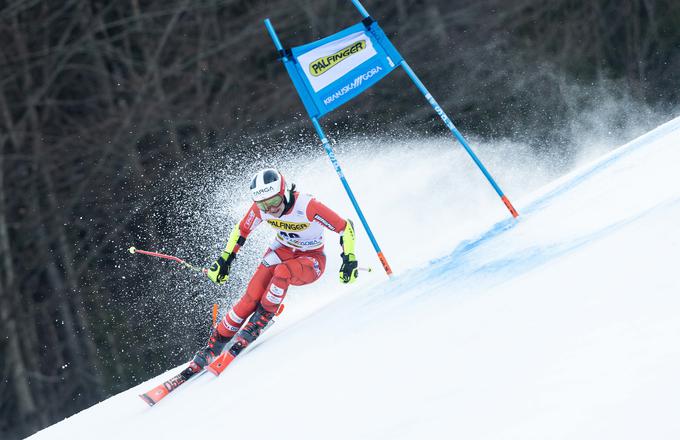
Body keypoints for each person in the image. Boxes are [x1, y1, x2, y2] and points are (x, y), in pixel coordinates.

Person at [189, 168, 359, 372]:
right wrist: (225, 259)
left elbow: (345, 227)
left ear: (284, 192)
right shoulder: (261, 209)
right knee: (250, 298)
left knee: (283, 272)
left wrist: (348, 258)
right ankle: (213, 345)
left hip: (311, 260)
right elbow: (241, 230)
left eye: (274, 202)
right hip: (281, 250)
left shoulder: (307, 206)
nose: (269, 209)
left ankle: (260, 320)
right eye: (263, 205)